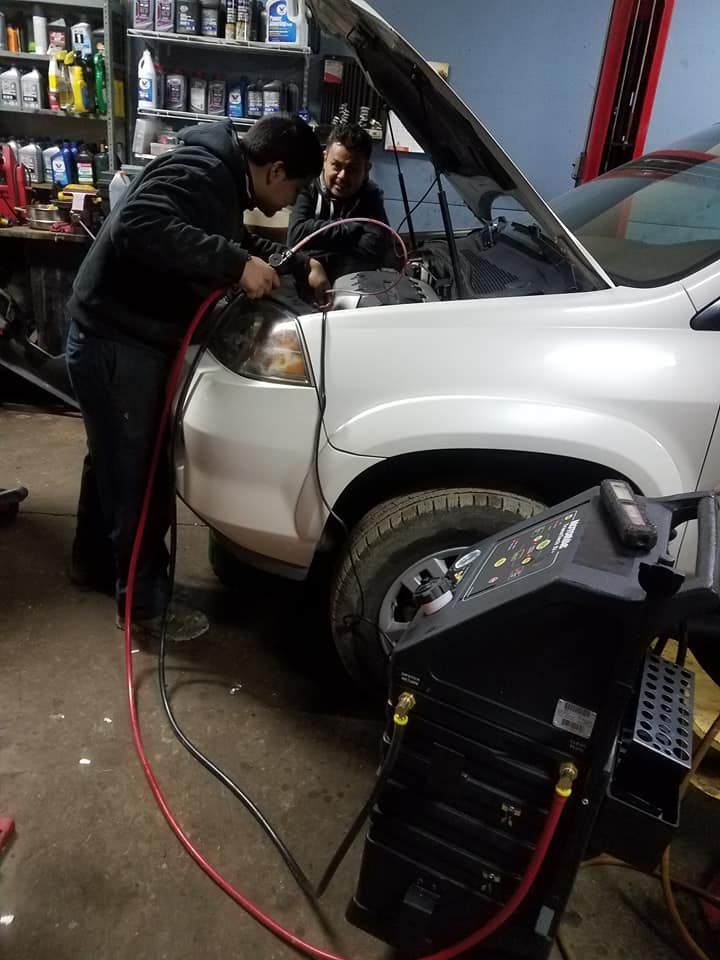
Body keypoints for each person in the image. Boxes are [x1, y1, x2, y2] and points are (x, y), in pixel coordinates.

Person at [66, 114, 328, 642]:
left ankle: (92, 566)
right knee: (139, 477)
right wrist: (234, 264)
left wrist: (297, 265)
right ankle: (144, 610)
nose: (286, 202)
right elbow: (136, 223)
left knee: (113, 463)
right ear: (275, 169)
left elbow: (213, 235)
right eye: (295, 187)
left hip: (111, 333)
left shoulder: (220, 174)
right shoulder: (204, 170)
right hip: (117, 341)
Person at [288, 122, 392, 282]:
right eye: (336, 166)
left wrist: (316, 256)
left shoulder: (371, 196)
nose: (343, 176)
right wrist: (349, 228)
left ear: (366, 169)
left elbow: (375, 250)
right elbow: (295, 236)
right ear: (324, 159)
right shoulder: (308, 187)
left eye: (353, 169)